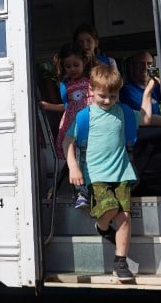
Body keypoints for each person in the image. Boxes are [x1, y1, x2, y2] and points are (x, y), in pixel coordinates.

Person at [61, 63, 159, 282]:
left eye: (113, 96)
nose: (107, 101)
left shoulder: (123, 112)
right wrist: (73, 166)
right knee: (110, 209)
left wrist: (148, 91)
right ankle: (102, 227)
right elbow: (68, 141)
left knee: (124, 217)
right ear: (91, 92)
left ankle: (120, 262)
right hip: (95, 175)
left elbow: (145, 118)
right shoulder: (85, 117)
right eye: (103, 96)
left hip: (122, 173)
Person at [38, 43, 92, 209]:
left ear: (84, 62)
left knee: (86, 157)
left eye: (76, 65)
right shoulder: (65, 85)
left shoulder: (91, 81)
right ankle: (80, 193)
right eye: (68, 66)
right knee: (74, 158)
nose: (72, 69)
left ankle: (87, 190)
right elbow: (67, 106)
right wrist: (48, 106)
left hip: (87, 123)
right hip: (70, 125)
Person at [120, 51, 161, 117]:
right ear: (132, 67)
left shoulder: (155, 88)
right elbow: (143, 118)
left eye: (149, 64)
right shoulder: (127, 92)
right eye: (141, 64)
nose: (145, 67)